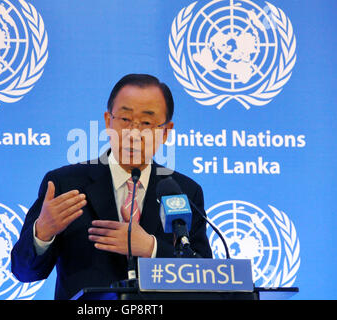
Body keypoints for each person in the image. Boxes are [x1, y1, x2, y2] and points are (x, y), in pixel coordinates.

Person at [11, 74, 212, 300]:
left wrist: (151, 249)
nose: (134, 133)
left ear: (166, 131)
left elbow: (205, 281)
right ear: (108, 122)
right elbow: (24, 272)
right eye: (125, 119)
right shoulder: (65, 184)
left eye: (146, 123)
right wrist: (42, 233)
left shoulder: (183, 190)